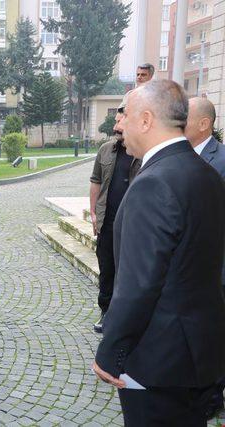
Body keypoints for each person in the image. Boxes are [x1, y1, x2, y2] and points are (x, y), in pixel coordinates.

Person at [92, 80, 225, 426]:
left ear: (147, 120)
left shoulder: (154, 182)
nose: (119, 124)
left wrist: (110, 353)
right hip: (200, 355)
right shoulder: (208, 174)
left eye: (126, 116)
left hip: (158, 363)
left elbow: (138, 285)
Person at [185, 96, 225, 419]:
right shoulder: (180, 156)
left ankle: (214, 396)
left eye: (186, 116)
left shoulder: (221, 159)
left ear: (203, 124)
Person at [89, 105, 141, 333]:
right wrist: (93, 213)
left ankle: (125, 316)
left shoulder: (140, 153)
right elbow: (95, 181)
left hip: (133, 225)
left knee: (127, 271)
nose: (118, 131)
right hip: (107, 223)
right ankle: (106, 312)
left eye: (122, 126)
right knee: (107, 270)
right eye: (116, 128)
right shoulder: (105, 150)